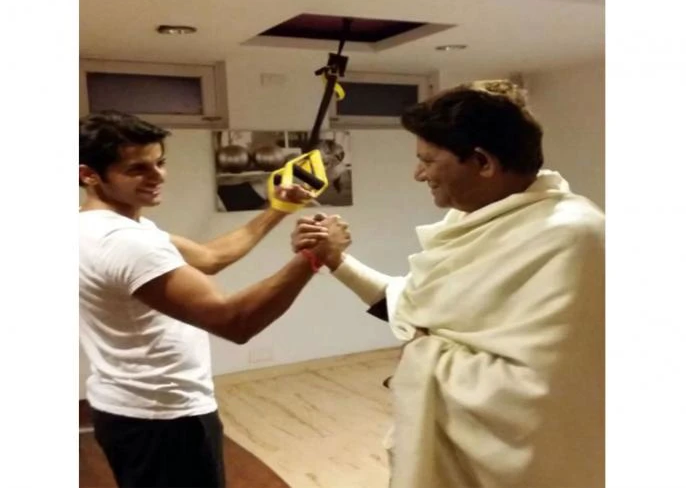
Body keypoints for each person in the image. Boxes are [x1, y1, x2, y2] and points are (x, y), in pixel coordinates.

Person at [292, 80, 605, 488]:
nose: (418, 174)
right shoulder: (473, 218)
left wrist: (420, 355)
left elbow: (547, 392)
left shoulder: (573, 236)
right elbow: (411, 306)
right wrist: (335, 259)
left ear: (482, 162)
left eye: (428, 160)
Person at [79, 110, 350, 488]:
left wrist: (279, 209)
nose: (158, 176)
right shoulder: (126, 243)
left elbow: (210, 257)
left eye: (160, 162)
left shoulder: (98, 227)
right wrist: (315, 257)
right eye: (137, 169)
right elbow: (234, 321)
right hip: (164, 418)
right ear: (89, 175)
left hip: (126, 408)